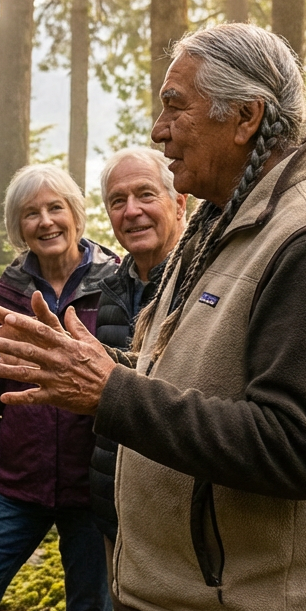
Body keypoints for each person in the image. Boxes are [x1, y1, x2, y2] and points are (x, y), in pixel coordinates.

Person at [0, 23, 306, 611]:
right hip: (182, 597)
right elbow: (191, 378)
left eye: (174, 107)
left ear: (245, 117)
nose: (159, 130)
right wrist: (85, 362)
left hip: (256, 608)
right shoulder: (227, 224)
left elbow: (292, 448)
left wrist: (107, 389)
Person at [0, 164, 119, 611]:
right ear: (18, 227)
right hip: (15, 488)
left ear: (76, 213)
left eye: (55, 207)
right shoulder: (6, 293)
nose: (45, 222)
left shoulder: (115, 283)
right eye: (30, 213)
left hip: (93, 492)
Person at [87, 148, 186, 550]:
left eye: (145, 195)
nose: (131, 211)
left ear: (179, 204)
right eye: (117, 201)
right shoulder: (109, 287)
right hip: (112, 512)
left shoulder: (203, 281)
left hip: (174, 516)